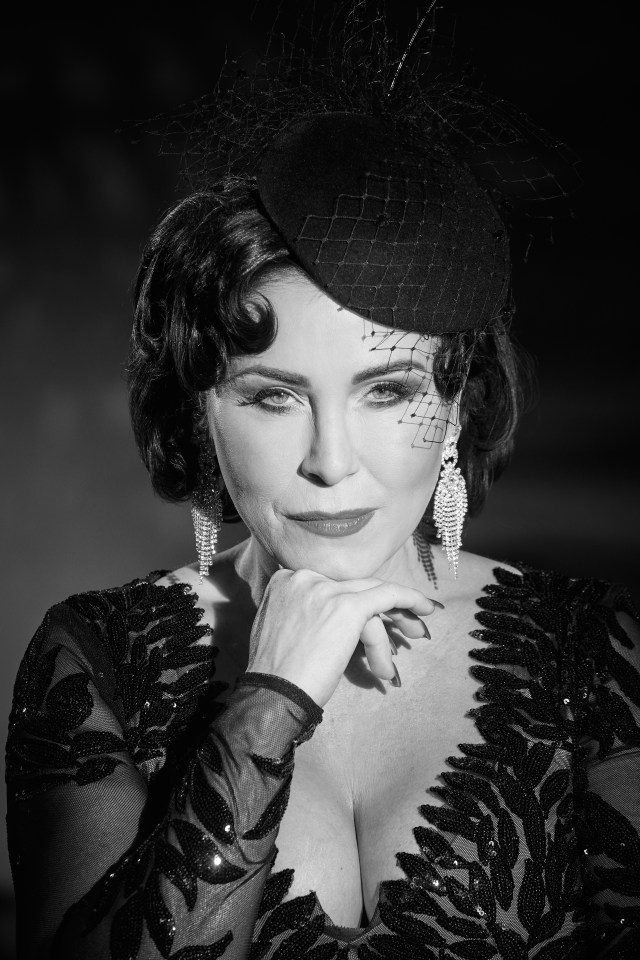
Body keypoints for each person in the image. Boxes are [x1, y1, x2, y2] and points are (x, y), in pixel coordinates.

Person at [5, 6, 640, 958]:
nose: (331, 462)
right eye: (273, 397)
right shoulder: (95, 658)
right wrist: (271, 699)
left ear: (459, 404)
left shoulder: (591, 653)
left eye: (387, 392)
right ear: (199, 411)